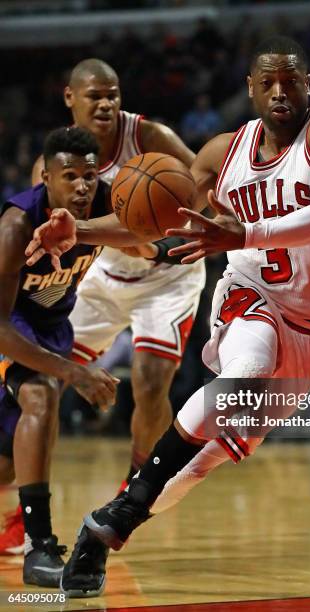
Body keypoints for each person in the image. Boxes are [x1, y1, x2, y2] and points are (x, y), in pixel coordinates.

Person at [25, 36, 310, 597]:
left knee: (206, 459)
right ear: (250, 89)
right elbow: (156, 220)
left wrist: (244, 230)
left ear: (309, 84)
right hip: (250, 295)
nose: (281, 92)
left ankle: (104, 530)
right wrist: (80, 229)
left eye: (292, 81)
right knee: (243, 373)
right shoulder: (219, 155)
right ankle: (125, 507)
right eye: (268, 82)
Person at [0, 58, 205, 555]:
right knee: (39, 389)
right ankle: (23, 503)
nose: (107, 104)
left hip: (166, 277)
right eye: (96, 96)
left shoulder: (150, 137)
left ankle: (134, 492)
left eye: (114, 94)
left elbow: (197, 182)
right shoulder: (49, 171)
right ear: (70, 99)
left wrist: (169, 226)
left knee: (151, 380)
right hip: (99, 278)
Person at [0, 126, 118, 586]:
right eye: (70, 176)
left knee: (11, 462)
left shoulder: (105, 202)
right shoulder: (16, 226)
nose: (83, 185)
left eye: (90, 175)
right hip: (10, 328)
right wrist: (76, 372)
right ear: (45, 178)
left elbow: (142, 230)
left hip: (50, 329)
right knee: (41, 396)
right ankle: (39, 547)